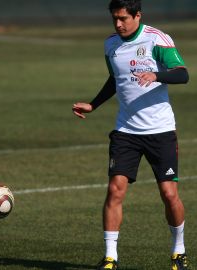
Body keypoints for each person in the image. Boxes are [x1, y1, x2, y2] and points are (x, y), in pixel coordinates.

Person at [72, 0, 190, 269]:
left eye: (123, 18)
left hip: (160, 131)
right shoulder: (110, 44)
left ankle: (178, 250)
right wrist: (93, 104)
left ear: (138, 16)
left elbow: (183, 75)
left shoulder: (157, 39)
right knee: (115, 190)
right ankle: (110, 257)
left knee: (169, 194)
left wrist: (157, 74)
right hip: (125, 131)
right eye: (114, 18)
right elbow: (115, 79)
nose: (118, 24)